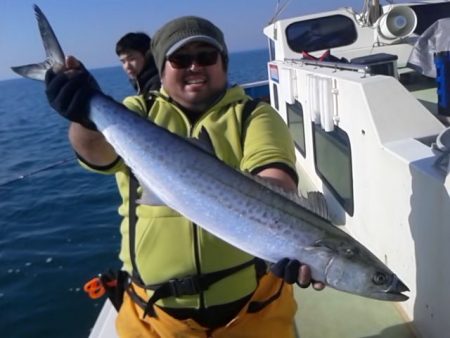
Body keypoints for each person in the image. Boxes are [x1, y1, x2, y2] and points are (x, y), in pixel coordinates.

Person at [44, 16, 324, 338]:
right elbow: (98, 153)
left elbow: (276, 180)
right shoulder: (138, 111)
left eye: (206, 57)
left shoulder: (254, 115)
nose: (194, 66)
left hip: (252, 312)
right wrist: (82, 115)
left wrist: (291, 241)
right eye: (180, 59)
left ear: (223, 64)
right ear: (162, 68)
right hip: (154, 318)